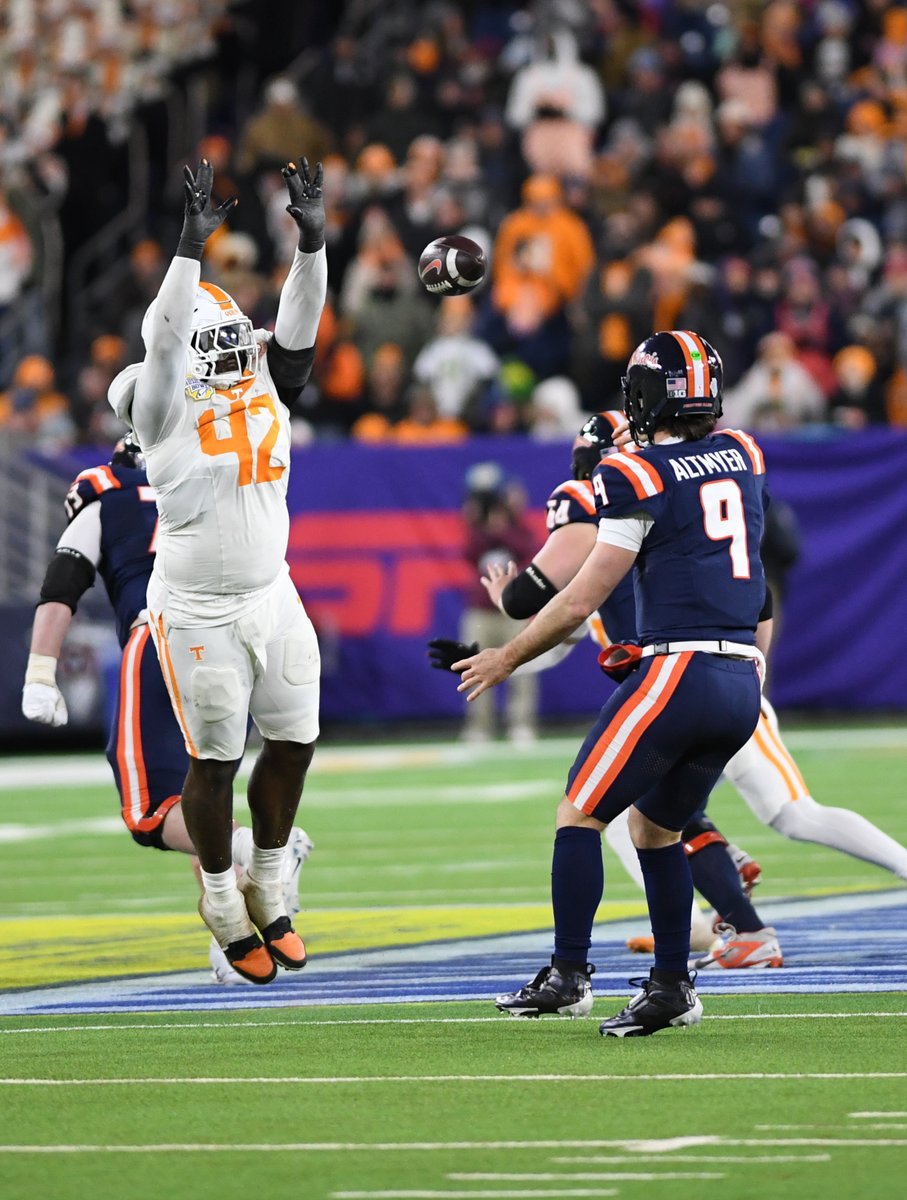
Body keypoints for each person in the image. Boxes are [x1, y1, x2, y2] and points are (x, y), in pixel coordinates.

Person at [454, 330, 767, 1036]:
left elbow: (578, 597)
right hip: (739, 674)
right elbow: (753, 574)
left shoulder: (636, 476)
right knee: (656, 829)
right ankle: (671, 988)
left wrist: (504, 657)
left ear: (647, 395)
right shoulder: (745, 454)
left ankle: (568, 975)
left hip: (679, 670)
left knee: (578, 815)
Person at [105, 157, 327, 985]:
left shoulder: (265, 377)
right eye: (222, 341)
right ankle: (222, 897)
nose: (240, 347)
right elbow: (164, 345)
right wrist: (188, 248)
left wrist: (313, 245)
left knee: (296, 742)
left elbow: (300, 328)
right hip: (196, 607)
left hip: (274, 592)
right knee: (215, 761)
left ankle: (269, 881)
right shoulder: (156, 402)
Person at [20, 435, 313, 985]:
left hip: (160, 635)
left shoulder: (106, 489)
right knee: (201, 782)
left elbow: (65, 579)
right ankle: (231, 936)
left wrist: (40, 670)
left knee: (151, 811)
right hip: (240, 640)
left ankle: (259, 847)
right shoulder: (217, 475)